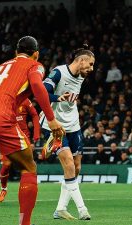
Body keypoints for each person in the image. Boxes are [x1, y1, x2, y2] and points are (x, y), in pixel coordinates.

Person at [0, 36, 64, 225]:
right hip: (0, 118)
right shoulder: (35, 65)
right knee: (29, 168)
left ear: (16, 52)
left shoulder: (0, 67)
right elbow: (37, 86)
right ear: (36, 53)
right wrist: (51, 119)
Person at [40, 44, 95, 220]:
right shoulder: (58, 73)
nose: (92, 68)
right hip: (54, 125)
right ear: (81, 61)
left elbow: (81, 56)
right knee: (69, 164)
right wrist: (57, 97)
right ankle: (82, 209)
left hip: (73, 125)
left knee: (76, 168)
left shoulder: (81, 75)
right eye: (90, 64)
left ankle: (60, 208)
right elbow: (41, 93)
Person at [0, 98, 41, 202]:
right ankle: (3, 189)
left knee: (26, 166)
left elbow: (35, 115)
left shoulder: (25, 100)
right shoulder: (5, 100)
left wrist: (36, 134)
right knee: (6, 165)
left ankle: (28, 192)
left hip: (23, 138)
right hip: (7, 138)